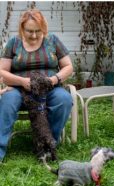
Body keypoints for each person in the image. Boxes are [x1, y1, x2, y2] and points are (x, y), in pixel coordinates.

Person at [0, 9, 73, 162]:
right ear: (22, 28)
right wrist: (21, 82)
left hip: (49, 88)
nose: (34, 35)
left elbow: (68, 67)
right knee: (8, 102)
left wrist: (53, 80)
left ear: (43, 28)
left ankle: (46, 145)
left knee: (64, 100)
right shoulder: (14, 43)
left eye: (38, 31)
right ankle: (0, 148)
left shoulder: (53, 40)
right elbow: (2, 71)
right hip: (19, 89)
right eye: (29, 31)